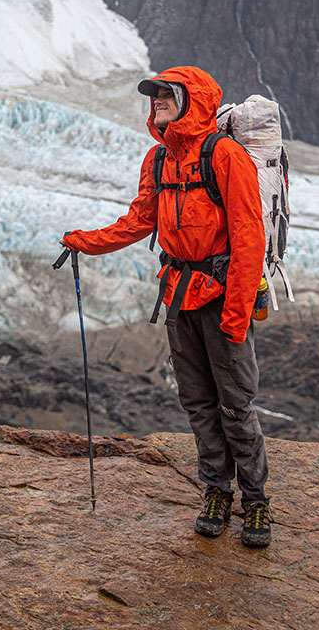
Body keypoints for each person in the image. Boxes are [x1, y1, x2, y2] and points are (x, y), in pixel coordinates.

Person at [62, 65, 272, 547]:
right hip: (178, 295)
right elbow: (138, 221)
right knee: (197, 401)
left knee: (235, 404)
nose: (155, 101)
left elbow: (248, 239)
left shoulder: (226, 157)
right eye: (153, 95)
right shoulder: (158, 161)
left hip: (222, 300)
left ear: (190, 100)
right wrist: (85, 242)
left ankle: (256, 502)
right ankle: (217, 491)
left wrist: (237, 313)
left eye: (165, 94)